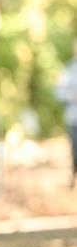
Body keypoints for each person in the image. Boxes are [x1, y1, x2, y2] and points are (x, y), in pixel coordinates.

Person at [54, 40, 77, 187]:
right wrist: (72, 96)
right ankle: (73, 176)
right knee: (75, 148)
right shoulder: (68, 70)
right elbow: (59, 92)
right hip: (74, 118)